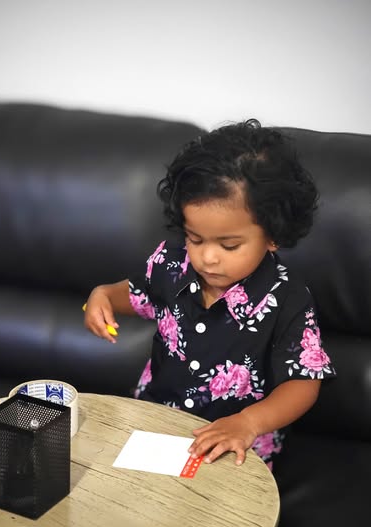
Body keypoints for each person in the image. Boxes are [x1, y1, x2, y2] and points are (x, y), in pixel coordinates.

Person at [84, 119, 335, 470]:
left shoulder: (288, 297)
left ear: (273, 235)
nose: (207, 258)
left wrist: (248, 423)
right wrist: (105, 297)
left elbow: (303, 382)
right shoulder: (171, 264)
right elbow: (139, 294)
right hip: (156, 423)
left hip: (235, 446)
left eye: (229, 245)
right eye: (195, 238)